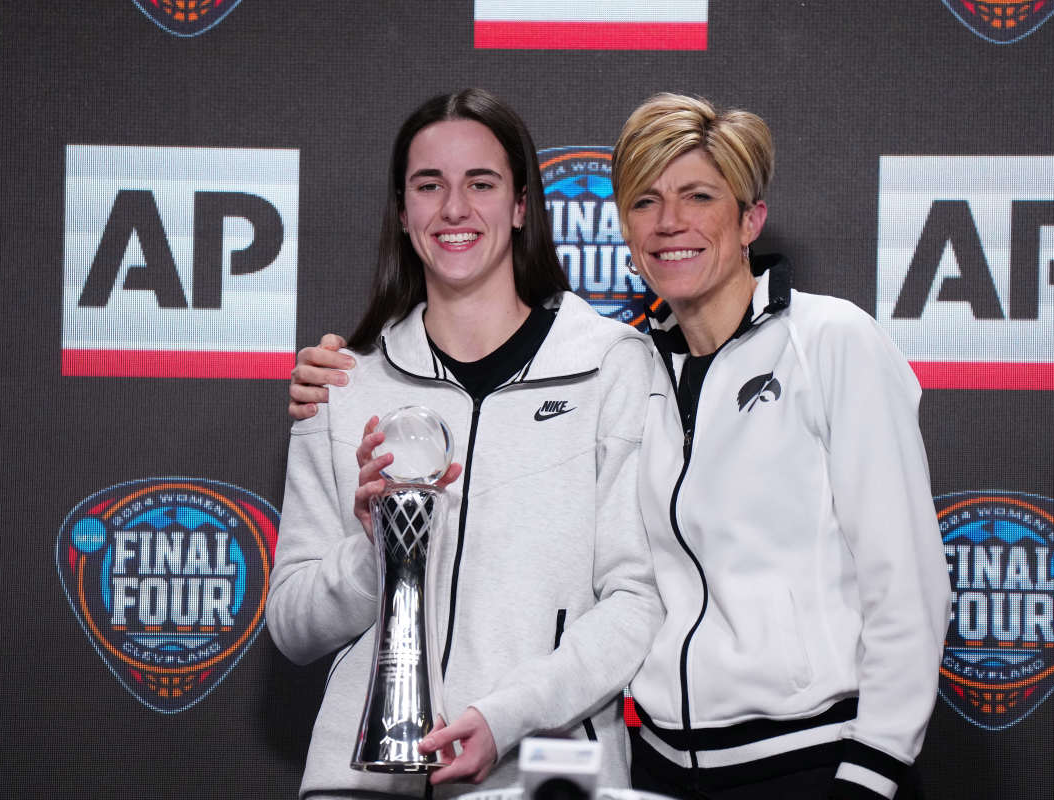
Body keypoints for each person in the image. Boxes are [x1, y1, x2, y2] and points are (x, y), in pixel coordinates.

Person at [291, 92, 951, 800]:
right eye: (645, 202)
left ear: (750, 217)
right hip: (658, 771)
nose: (670, 222)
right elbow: (296, 622)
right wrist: (378, 549)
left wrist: (874, 767)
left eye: (699, 196)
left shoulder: (808, 345)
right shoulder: (644, 368)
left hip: (796, 758)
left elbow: (905, 583)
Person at [267, 88, 662, 800]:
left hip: (540, 774)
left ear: (520, 205)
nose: (454, 208)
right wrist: (375, 551)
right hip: (360, 782)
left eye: (481, 183)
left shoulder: (611, 366)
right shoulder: (342, 384)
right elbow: (293, 626)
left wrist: (504, 717)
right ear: (402, 211)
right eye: (429, 185)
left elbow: (636, 601)